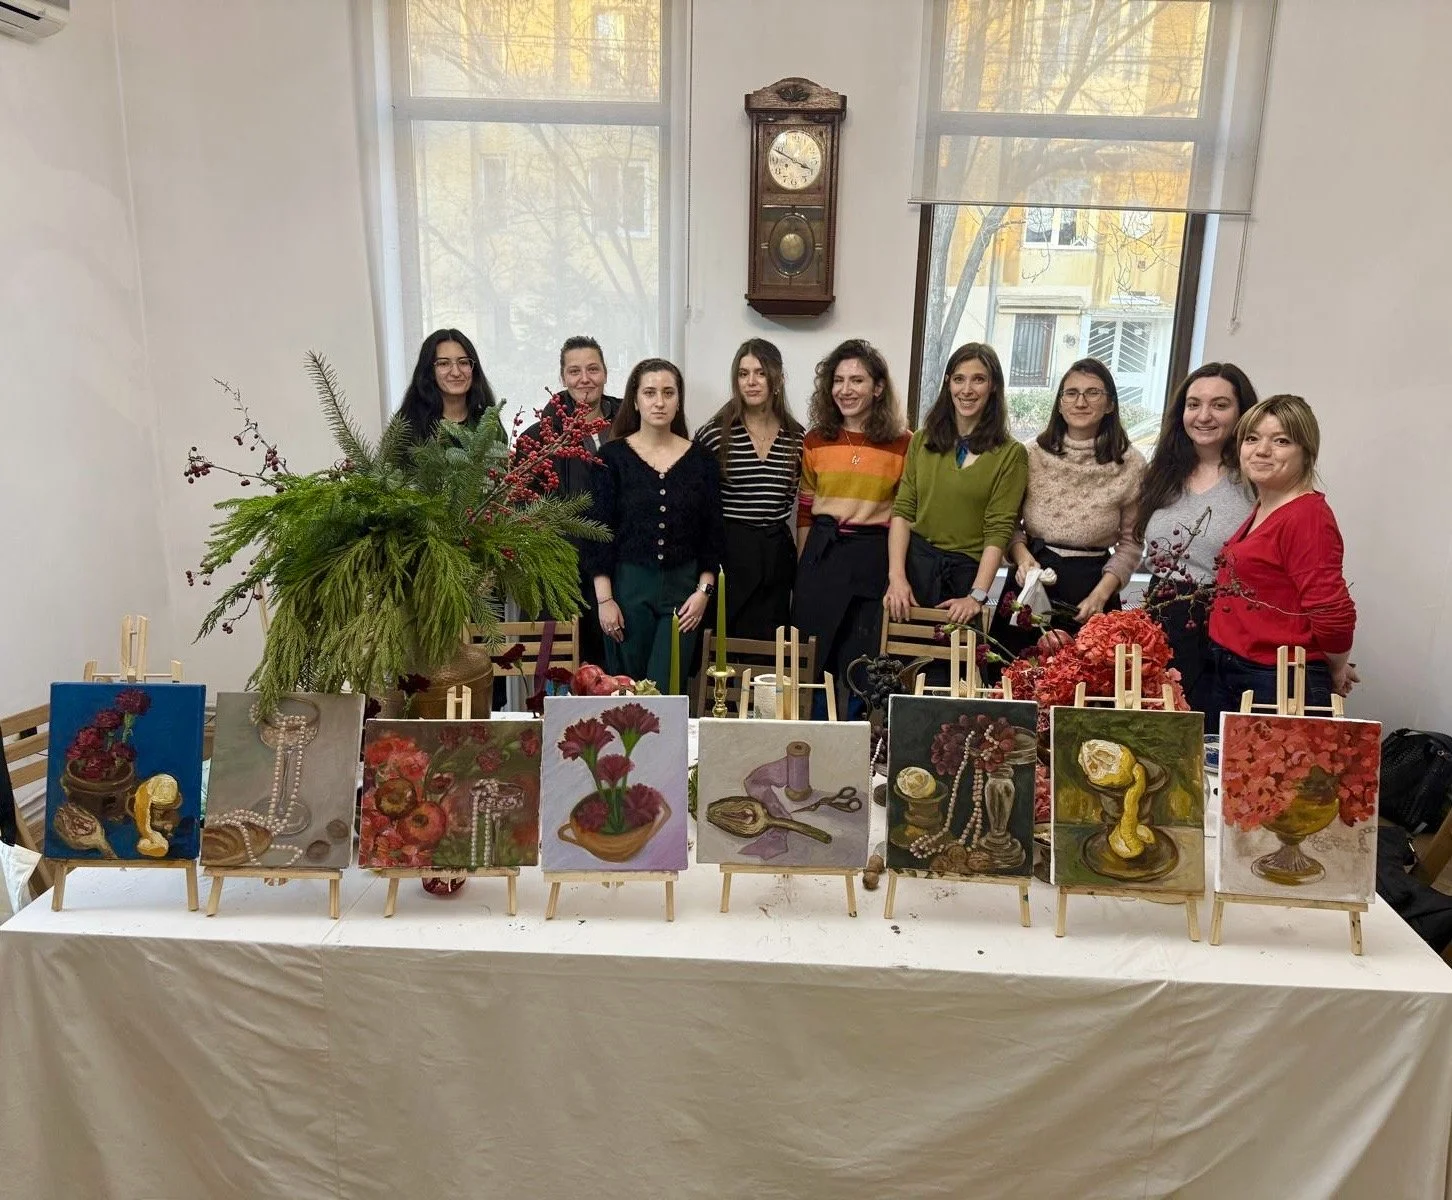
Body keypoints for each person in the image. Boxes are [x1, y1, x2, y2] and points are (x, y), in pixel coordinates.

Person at [1207, 395, 1357, 724]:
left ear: (1307, 452)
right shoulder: (1267, 506)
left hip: (1276, 681)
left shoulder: (1307, 517)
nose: (1261, 450)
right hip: (1236, 668)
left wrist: (1336, 668)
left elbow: (1333, 612)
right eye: (1252, 438)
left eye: (1281, 441)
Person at [582, 359, 726, 692]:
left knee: (668, 692)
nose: (659, 402)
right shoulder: (611, 458)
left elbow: (713, 534)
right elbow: (597, 533)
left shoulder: (702, 461)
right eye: (649, 393)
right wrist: (605, 601)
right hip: (628, 588)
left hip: (684, 591)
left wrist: (704, 593)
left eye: (668, 393)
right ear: (635, 400)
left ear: (679, 400)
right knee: (626, 690)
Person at [792, 339, 911, 716]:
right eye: (839, 380)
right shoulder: (815, 440)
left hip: (873, 557)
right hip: (823, 553)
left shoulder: (903, 443)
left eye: (857, 380)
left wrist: (897, 576)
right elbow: (805, 511)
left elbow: (904, 514)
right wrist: (804, 569)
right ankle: (816, 733)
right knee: (814, 660)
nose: (846, 389)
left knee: (864, 663)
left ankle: (857, 736)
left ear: (878, 388)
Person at [1135, 363, 1259, 715]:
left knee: (1207, 733)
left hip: (1223, 629)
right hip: (1161, 620)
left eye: (1220, 405)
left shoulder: (1256, 480)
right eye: (1194, 405)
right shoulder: (1162, 474)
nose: (1204, 416)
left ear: (1242, 413)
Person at [885, 343, 1028, 640]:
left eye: (979, 379)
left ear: (993, 386)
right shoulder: (922, 440)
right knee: (899, 661)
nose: (967, 389)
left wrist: (977, 595)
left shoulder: (1011, 454)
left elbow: (999, 530)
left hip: (966, 579)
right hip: (914, 574)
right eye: (959, 379)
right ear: (948, 383)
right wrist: (897, 578)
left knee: (956, 666)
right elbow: (903, 510)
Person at [1005, 357, 1145, 637]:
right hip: (1032, 579)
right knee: (1016, 664)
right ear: (1059, 404)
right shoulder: (1029, 455)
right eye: (1071, 393)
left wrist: (1101, 595)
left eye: (1093, 393)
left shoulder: (1132, 464)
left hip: (1094, 587)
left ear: (1110, 404)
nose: (1081, 402)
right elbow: (1007, 523)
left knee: (1088, 664)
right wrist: (1022, 558)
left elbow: (1131, 542)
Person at [518, 335, 622, 669]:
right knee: (562, 674)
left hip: (619, 571)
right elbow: (522, 512)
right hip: (562, 576)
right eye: (574, 371)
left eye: (593, 369)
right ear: (562, 377)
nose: (584, 379)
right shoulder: (537, 439)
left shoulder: (631, 427)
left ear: (605, 373)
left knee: (614, 677)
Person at [694, 339, 804, 641]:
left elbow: (794, 499)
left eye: (760, 373)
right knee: (725, 643)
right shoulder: (714, 434)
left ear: (778, 379)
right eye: (743, 374)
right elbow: (698, 505)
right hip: (730, 552)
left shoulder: (796, 437)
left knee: (772, 645)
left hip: (776, 554)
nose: (751, 382)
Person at [398, 328, 497, 443]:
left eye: (463, 362)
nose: (456, 373)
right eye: (444, 363)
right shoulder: (406, 427)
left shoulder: (488, 421)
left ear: (473, 369)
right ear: (429, 371)